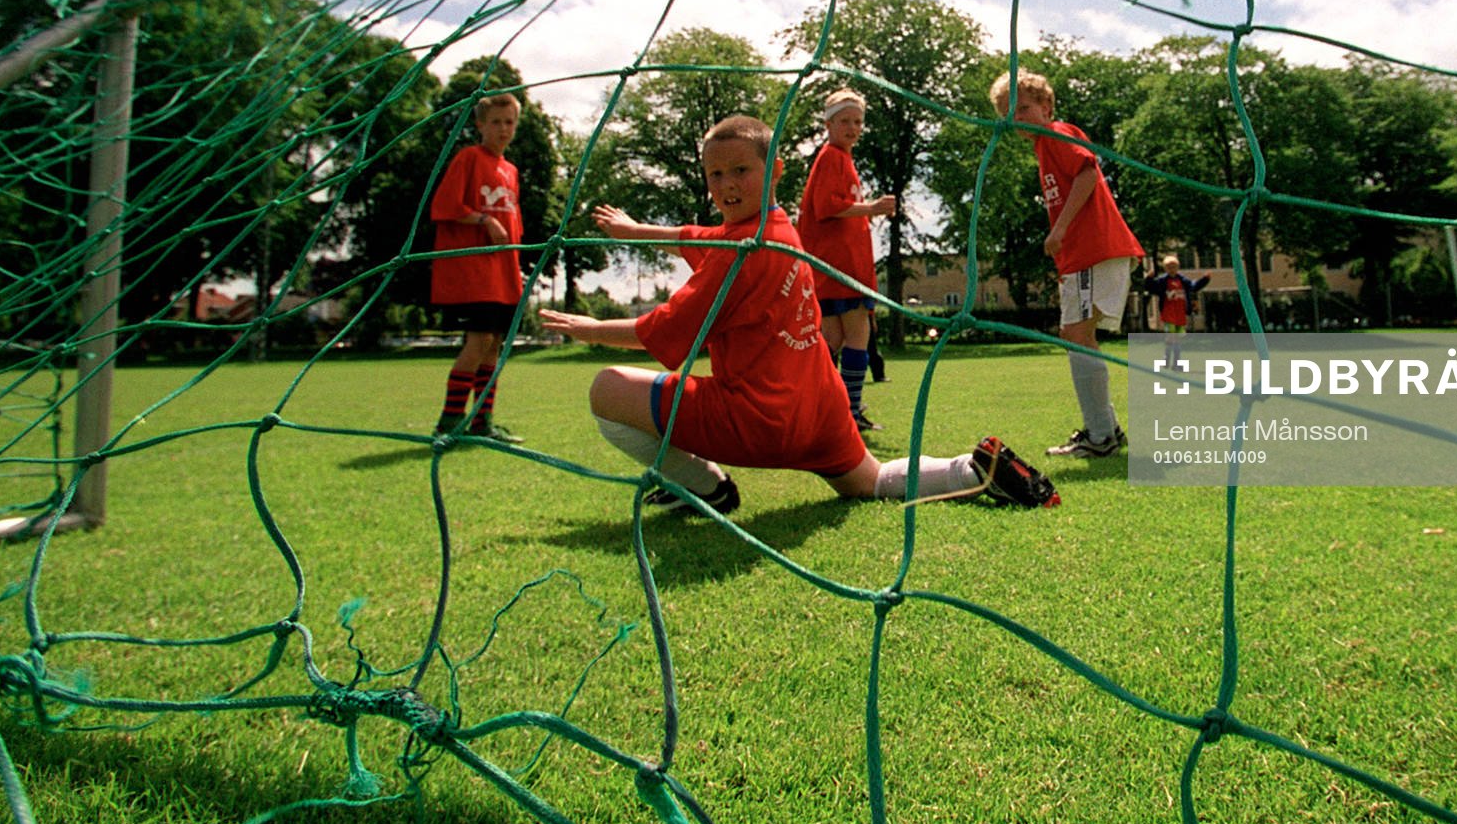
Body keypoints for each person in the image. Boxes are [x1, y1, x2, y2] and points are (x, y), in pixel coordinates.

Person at [537, 115, 1057, 513]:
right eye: (715, 174)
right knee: (870, 481)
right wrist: (637, 230)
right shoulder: (781, 229)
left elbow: (660, 335)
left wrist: (587, 328)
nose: (726, 184)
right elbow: (696, 237)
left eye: (741, 170)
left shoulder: (737, 257)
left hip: (757, 418)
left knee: (606, 388)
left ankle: (705, 488)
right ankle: (972, 471)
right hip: (822, 408)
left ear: (775, 169)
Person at [990, 69, 1144, 457]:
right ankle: (1105, 429)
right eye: (1009, 112)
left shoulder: (1058, 134)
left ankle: (1100, 437)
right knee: (1074, 335)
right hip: (1082, 256)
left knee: (1077, 335)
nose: (1017, 117)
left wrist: (1058, 229)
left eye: (1024, 108)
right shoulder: (1042, 148)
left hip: (1094, 249)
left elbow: (1088, 173)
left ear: (1046, 107)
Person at [428, 92, 526, 442]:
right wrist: (484, 219)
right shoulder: (469, 158)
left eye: (509, 122)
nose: (503, 128)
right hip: (473, 273)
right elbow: (444, 205)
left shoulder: (511, 170)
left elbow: (513, 226)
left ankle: (482, 423)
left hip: (502, 274)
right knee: (479, 339)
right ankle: (449, 423)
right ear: (480, 125)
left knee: (494, 344)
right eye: (496, 122)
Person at [797, 90, 896, 433]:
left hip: (837, 265)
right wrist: (872, 207)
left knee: (832, 339)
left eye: (857, 121)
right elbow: (827, 207)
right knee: (858, 333)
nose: (852, 127)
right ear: (828, 124)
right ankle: (848, 410)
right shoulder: (832, 157)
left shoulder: (841, 159)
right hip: (839, 267)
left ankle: (818, 407)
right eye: (844, 121)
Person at [1143, 254, 1210, 369]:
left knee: (1177, 338)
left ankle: (1172, 361)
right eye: (1169, 267)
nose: (1172, 269)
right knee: (1172, 337)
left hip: (1180, 314)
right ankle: (1171, 361)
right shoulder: (1163, 281)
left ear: (1177, 267)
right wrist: (1149, 278)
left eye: (1174, 266)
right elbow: (1151, 287)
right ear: (1165, 268)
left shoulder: (1182, 280)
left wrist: (1205, 279)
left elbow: (1194, 286)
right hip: (1168, 314)